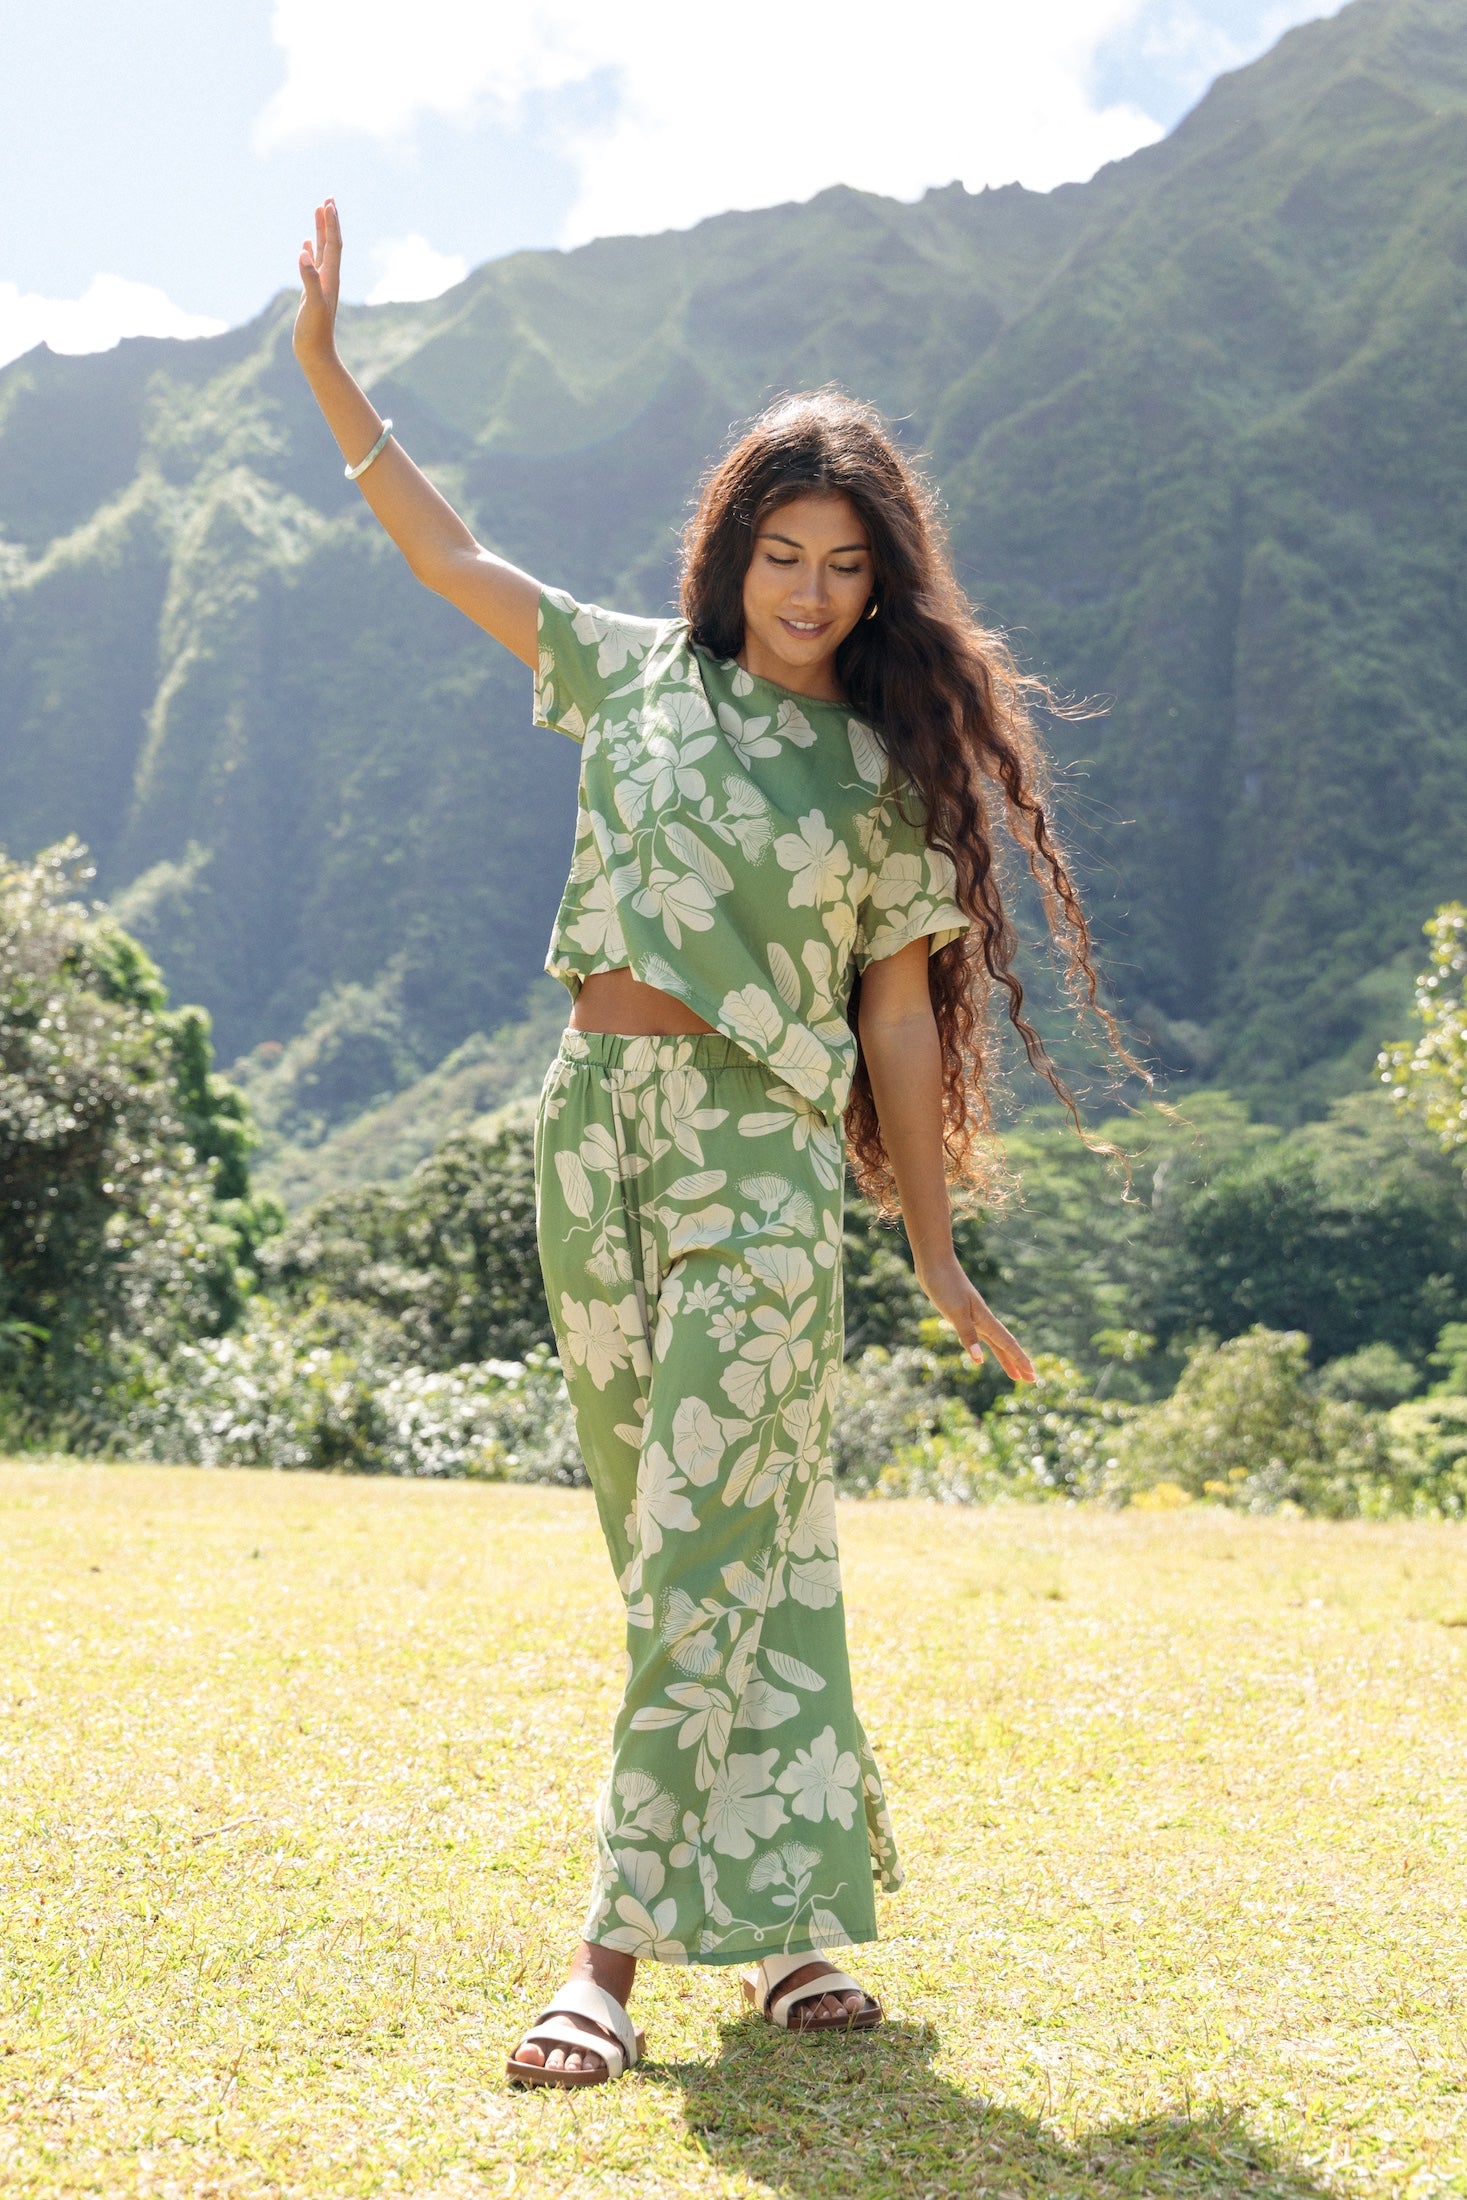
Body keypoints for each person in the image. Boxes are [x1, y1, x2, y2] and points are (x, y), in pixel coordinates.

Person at [294, 198, 1126, 2089]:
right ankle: (792, 1926)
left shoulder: (885, 775)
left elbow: (895, 1019)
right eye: (782, 551)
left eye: (845, 564)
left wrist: (928, 1245)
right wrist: (331, 369)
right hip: (588, 1141)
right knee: (698, 1542)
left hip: (759, 1157)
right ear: (732, 549)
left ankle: (604, 1964)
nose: (809, 590)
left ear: (879, 585)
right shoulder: (630, 677)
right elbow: (445, 551)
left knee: (698, 1547)